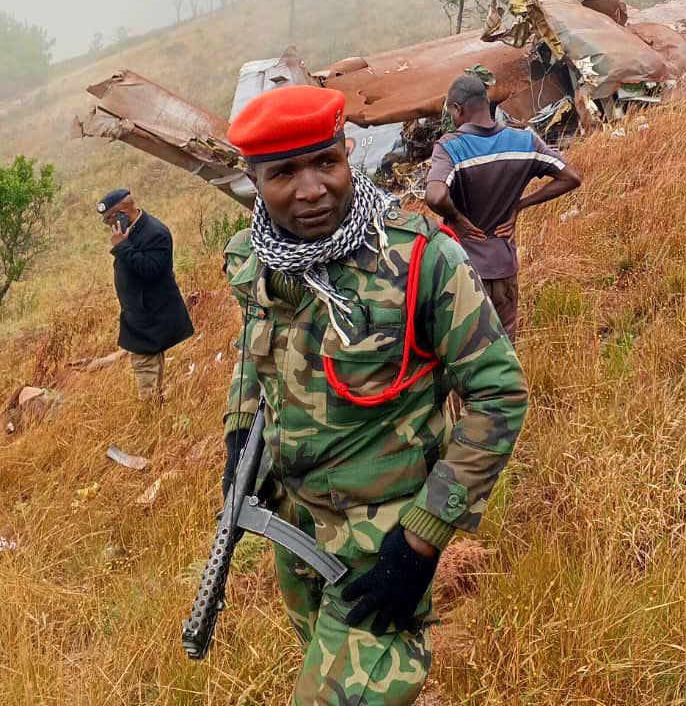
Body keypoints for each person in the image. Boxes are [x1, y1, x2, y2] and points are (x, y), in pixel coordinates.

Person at [221, 84, 527, 706]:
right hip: (298, 535)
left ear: (347, 153)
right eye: (283, 173)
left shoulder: (420, 259)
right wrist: (238, 431)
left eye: (326, 163)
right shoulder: (257, 261)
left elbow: (499, 395)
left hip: (380, 545)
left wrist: (420, 541)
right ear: (253, 180)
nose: (311, 190)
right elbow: (259, 350)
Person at [425, 74, 582, 341]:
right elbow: (571, 177)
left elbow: (436, 196)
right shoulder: (524, 142)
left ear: (457, 109)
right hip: (504, 267)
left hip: (463, 270)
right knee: (506, 349)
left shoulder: (451, 147)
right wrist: (519, 205)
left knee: (466, 352)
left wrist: (457, 217)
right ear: (486, 103)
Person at [97, 188, 193, 404]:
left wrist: (122, 247)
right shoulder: (131, 230)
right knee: (150, 365)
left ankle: (149, 415)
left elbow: (151, 269)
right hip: (140, 314)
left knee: (144, 367)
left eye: (109, 218)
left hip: (151, 316)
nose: (108, 225)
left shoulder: (155, 232)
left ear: (122, 212)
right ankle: (156, 406)